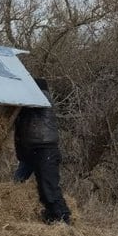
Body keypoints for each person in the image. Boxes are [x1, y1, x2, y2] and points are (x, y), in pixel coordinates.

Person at [13, 78, 72, 225]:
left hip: (45, 150)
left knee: (49, 186)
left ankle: (62, 218)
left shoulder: (42, 97)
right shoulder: (33, 102)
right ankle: (52, 215)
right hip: (32, 149)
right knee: (22, 182)